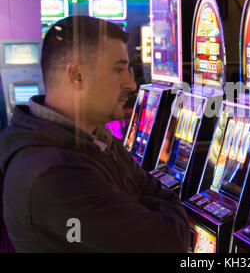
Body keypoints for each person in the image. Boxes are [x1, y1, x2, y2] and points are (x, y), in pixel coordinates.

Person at [0, 16, 190, 252]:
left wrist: (147, 205)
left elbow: (152, 191)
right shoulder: (54, 173)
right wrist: (153, 206)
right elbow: (169, 243)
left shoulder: (95, 140)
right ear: (77, 75)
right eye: (119, 69)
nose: (131, 84)